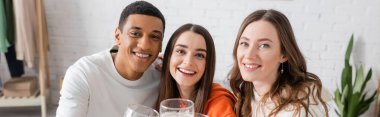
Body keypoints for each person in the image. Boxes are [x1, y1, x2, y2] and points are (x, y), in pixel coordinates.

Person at [56, 1, 165, 117]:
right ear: (118, 36)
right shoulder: (83, 74)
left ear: (161, 45)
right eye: (135, 34)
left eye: (154, 37)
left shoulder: (161, 75)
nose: (144, 45)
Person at [229, 9, 329, 117]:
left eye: (264, 45)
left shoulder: (301, 106)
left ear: (284, 54)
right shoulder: (245, 95)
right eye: (244, 43)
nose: (249, 55)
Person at [156, 23, 236, 117]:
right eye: (181, 51)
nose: (188, 62)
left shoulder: (219, 103)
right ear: (169, 56)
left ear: (208, 64)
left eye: (199, 55)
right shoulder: (164, 88)